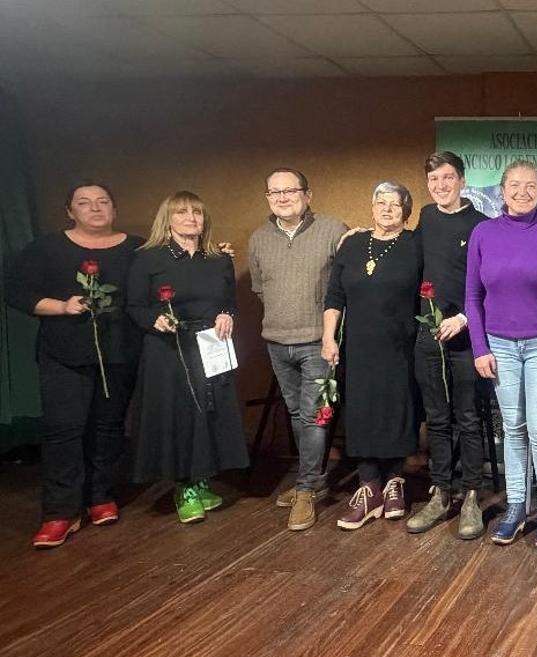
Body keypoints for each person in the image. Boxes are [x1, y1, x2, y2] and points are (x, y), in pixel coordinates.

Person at [6, 181, 143, 547]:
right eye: (84, 202)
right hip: (62, 354)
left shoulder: (138, 247)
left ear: (114, 208)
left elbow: (167, 278)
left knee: (109, 426)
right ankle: (61, 511)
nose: (95, 208)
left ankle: (100, 496)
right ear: (70, 211)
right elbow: (17, 292)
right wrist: (62, 306)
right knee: (62, 430)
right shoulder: (46, 248)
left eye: (103, 201)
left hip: (119, 353)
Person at [465, 159, 537, 549]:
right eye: (514, 185)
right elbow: (472, 296)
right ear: (502, 190)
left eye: (531, 185)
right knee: (513, 427)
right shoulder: (483, 233)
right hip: (499, 346)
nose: (522, 192)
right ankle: (515, 507)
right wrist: (480, 347)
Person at [126, 191, 248, 524]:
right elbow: (134, 306)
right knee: (178, 416)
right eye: (181, 212)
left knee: (208, 414)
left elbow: (229, 301)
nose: (191, 218)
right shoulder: (148, 258)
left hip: (210, 346)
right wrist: (154, 319)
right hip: (169, 349)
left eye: (197, 212)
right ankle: (184, 488)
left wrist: (227, 314)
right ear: (167, 220)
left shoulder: (218, 258)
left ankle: (202, 480)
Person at [249, 168, 347, 532]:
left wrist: (330, 334)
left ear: (307, 194)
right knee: (295, 413)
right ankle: (314, 478)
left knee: (313, 416)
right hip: (277, 341)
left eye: (290, 190)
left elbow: (346, 283)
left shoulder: (333, 230)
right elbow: (260, 288)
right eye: (274, 192)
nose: (282, 197)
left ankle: (306, 489)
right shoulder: (259, 238)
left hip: (318, 341)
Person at [322, 182, 421, 531]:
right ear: (372, 206)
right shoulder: (352, 244)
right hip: (358, 347)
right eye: (381, 202)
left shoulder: (415, 244)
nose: (387, 209)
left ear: (406, 211)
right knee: (361, 411)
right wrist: (328, 337)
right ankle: (368, 487)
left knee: (397, 410)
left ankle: (395, 482)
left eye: (395, 204)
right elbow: (334, 296)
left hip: (401, 347)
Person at [405, 151, 489, 540]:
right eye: (434, 179)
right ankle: (440, 493)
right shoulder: (425, 217)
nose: (441, 185)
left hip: (467, 336)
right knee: (437, 419)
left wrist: (464, 319)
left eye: (448, 177)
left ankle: (471, 496)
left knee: (468, 418)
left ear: (462, 180)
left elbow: (489, 285)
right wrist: (359, 236)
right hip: (429, 336)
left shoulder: (481, 225)